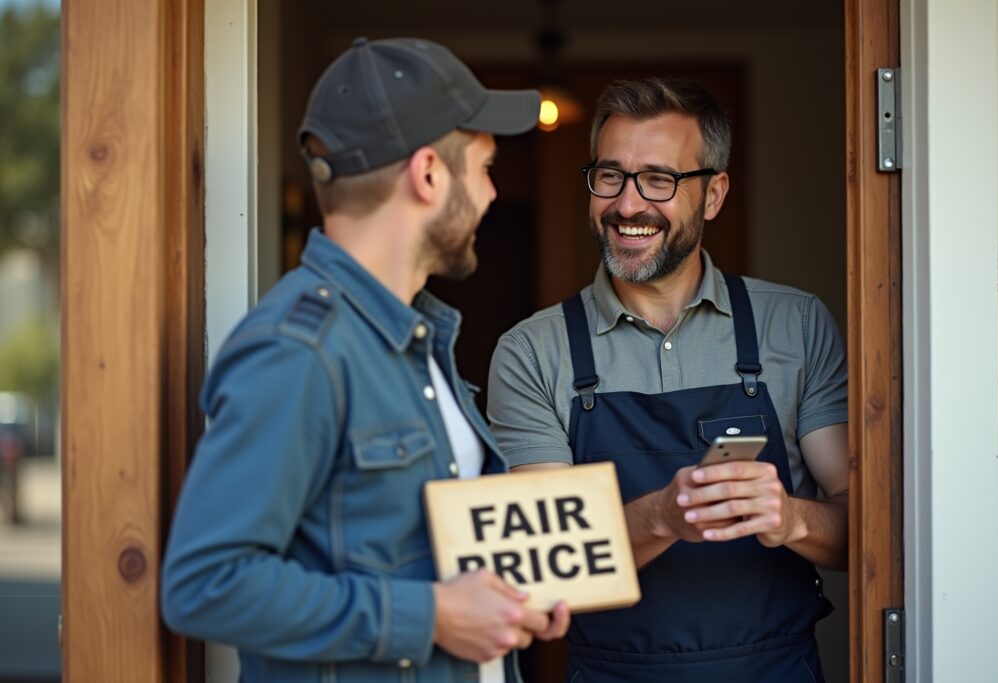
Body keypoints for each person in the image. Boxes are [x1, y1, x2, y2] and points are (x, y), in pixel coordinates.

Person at [161, 36, 569, 683]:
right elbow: (205, 582)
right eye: (485, 167)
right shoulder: (298, 350)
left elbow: (409, 549)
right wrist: (431, 614)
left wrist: (505, 596)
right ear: (429, 173)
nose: (492, 194)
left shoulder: (420, 337)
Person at [487, 77, 849, 682]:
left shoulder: (797, 325)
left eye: (659, 180)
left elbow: (870, 536)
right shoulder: (532, 351)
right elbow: (542, 568)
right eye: (610, 176)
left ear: (713, 195)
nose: (628, 206)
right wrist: (663, 516)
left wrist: (789, 519)